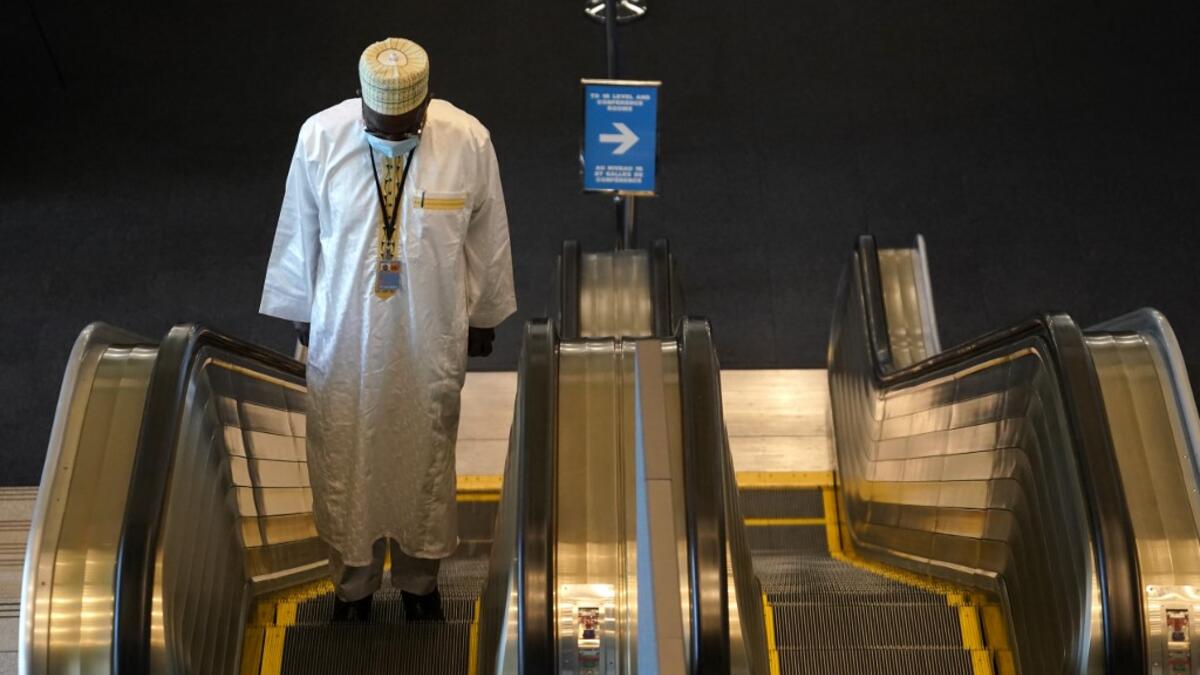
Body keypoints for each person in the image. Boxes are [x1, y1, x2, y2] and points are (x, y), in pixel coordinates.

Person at [259, 37, 516, 622]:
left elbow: (487, 232)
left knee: (426, 457)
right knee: (345, 460)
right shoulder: (320, 138)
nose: (395, 134)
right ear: (361, 103)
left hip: (430, 334)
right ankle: (354, 588)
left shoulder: (467, 140)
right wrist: (302, 308)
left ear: (424, 108)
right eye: (382, 125)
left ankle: (420, 583)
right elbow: (300, 229)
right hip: (344, 334)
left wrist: (483, 315)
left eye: (406, 126)